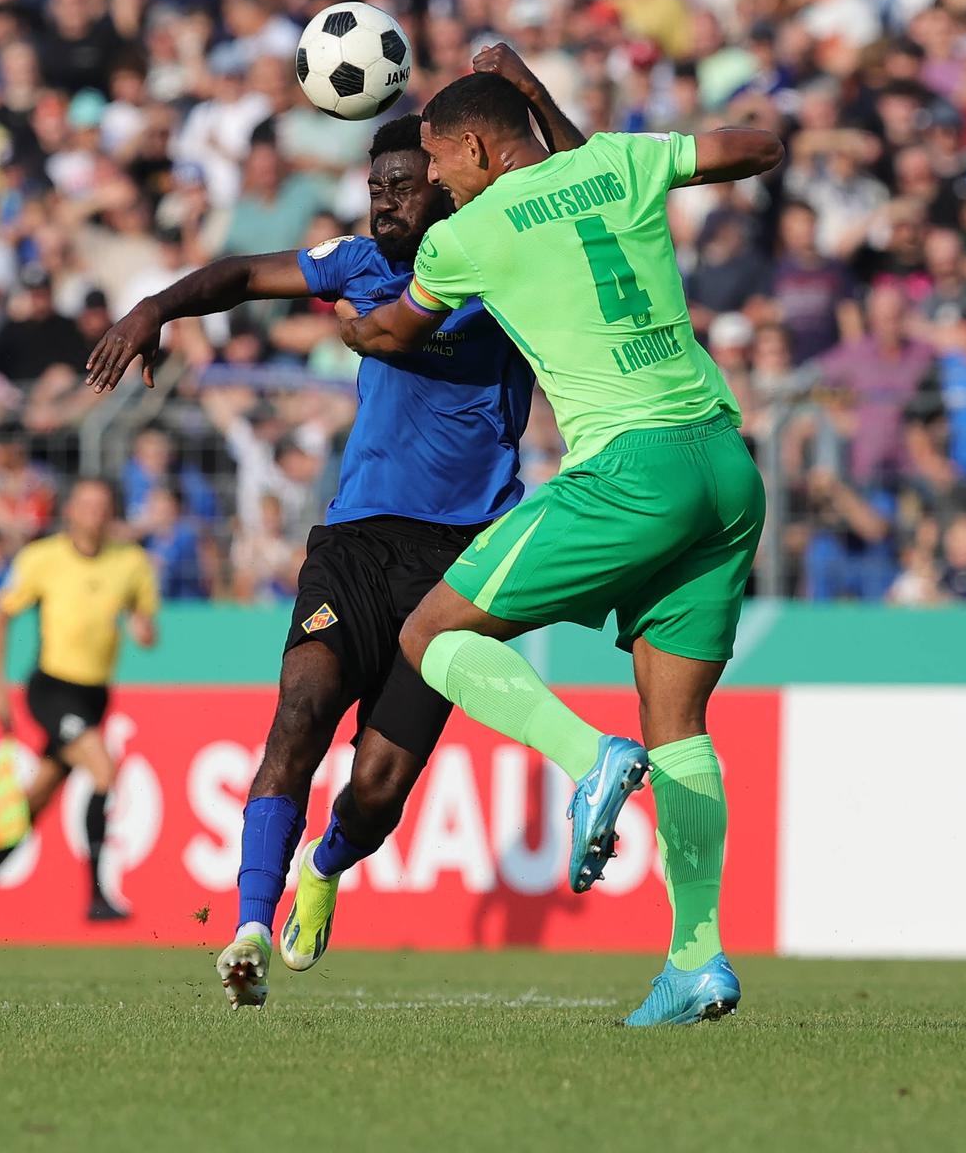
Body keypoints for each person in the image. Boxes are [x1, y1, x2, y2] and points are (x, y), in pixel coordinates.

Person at [85, 50, 580, 1010]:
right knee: (299, 713)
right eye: (375, 188)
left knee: (380, 791)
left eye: (402, 187)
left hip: (460, 557)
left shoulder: (501, 260)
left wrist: (530, 99)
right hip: (354, 541)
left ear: (447, 186)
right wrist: (155, 307)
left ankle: (327, 861)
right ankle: (247, 930)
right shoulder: (355, 262)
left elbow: (569, 189)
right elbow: (238, 274)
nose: (386, 203)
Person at [335, 72, 783, 1028]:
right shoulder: (616, 160)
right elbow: (758, 147)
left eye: (447, 164)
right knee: (683, 729)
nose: (442, 184)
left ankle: (586, 758)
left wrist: (353, 327)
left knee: (433, 635)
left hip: (630, 471)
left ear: (485, 151)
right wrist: (538, 88)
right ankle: (696, 960)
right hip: (725, 467)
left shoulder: (469, 232)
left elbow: (398, 330)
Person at [0, 479, 159, 942]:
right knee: (104, 770)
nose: (92, 513)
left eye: (101, 505)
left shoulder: (129, 563)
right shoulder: (42, 558)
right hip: (51, 689)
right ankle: (96, 895)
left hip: (93, 696)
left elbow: (145, 624)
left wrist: (143, 628)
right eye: (85, 504)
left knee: (37, 800)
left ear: (111, 513)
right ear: (71, 510)